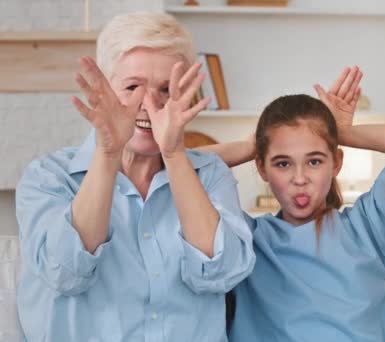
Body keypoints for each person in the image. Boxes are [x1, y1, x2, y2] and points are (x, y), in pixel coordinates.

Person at [15, 12, 254, 341]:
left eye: (166, 90)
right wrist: (108, 153)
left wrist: (173, 154)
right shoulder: (49, 177)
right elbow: (66, 274)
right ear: (103, 91)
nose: (149, 104)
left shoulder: (209, 175)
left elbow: (221, 274)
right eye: (132, 87)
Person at [199, 67, 385, 341]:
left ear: (336, 162)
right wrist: (248, 147)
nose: (299, 179)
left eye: (314, 161)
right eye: (282, 163)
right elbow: (175, 167)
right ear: (262, 169)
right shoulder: (246, 239)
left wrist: (344, 133)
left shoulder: (368, 227)